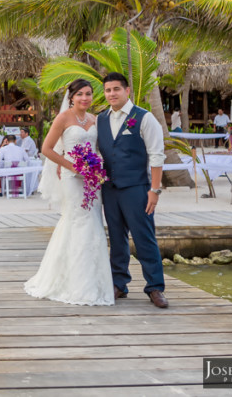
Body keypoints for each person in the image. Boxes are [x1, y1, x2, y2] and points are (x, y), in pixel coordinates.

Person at [24, 78, 114, 307]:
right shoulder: (63, 118)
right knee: (77, 221)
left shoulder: (96, 119)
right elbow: (46, 148)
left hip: (92, 179)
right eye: (80, 94)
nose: (85, 98)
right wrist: (71, 166)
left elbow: (99, 148)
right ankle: (73, 283)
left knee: (94, 221)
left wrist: (97, 168)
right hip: (72, 177)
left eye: (88, 94)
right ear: (71, 97)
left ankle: (94, 281)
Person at [98, 72, 167, 308]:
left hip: (137, 188)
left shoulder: (144, 118)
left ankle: (155, 287)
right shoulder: (101, 119)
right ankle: (119, 283)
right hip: (110, 189)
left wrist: (154, 191)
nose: (111, 94)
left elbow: (157, 156)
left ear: (127, 91)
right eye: (108, 90)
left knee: (144, 238)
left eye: (116, 89)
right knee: (116, 239)